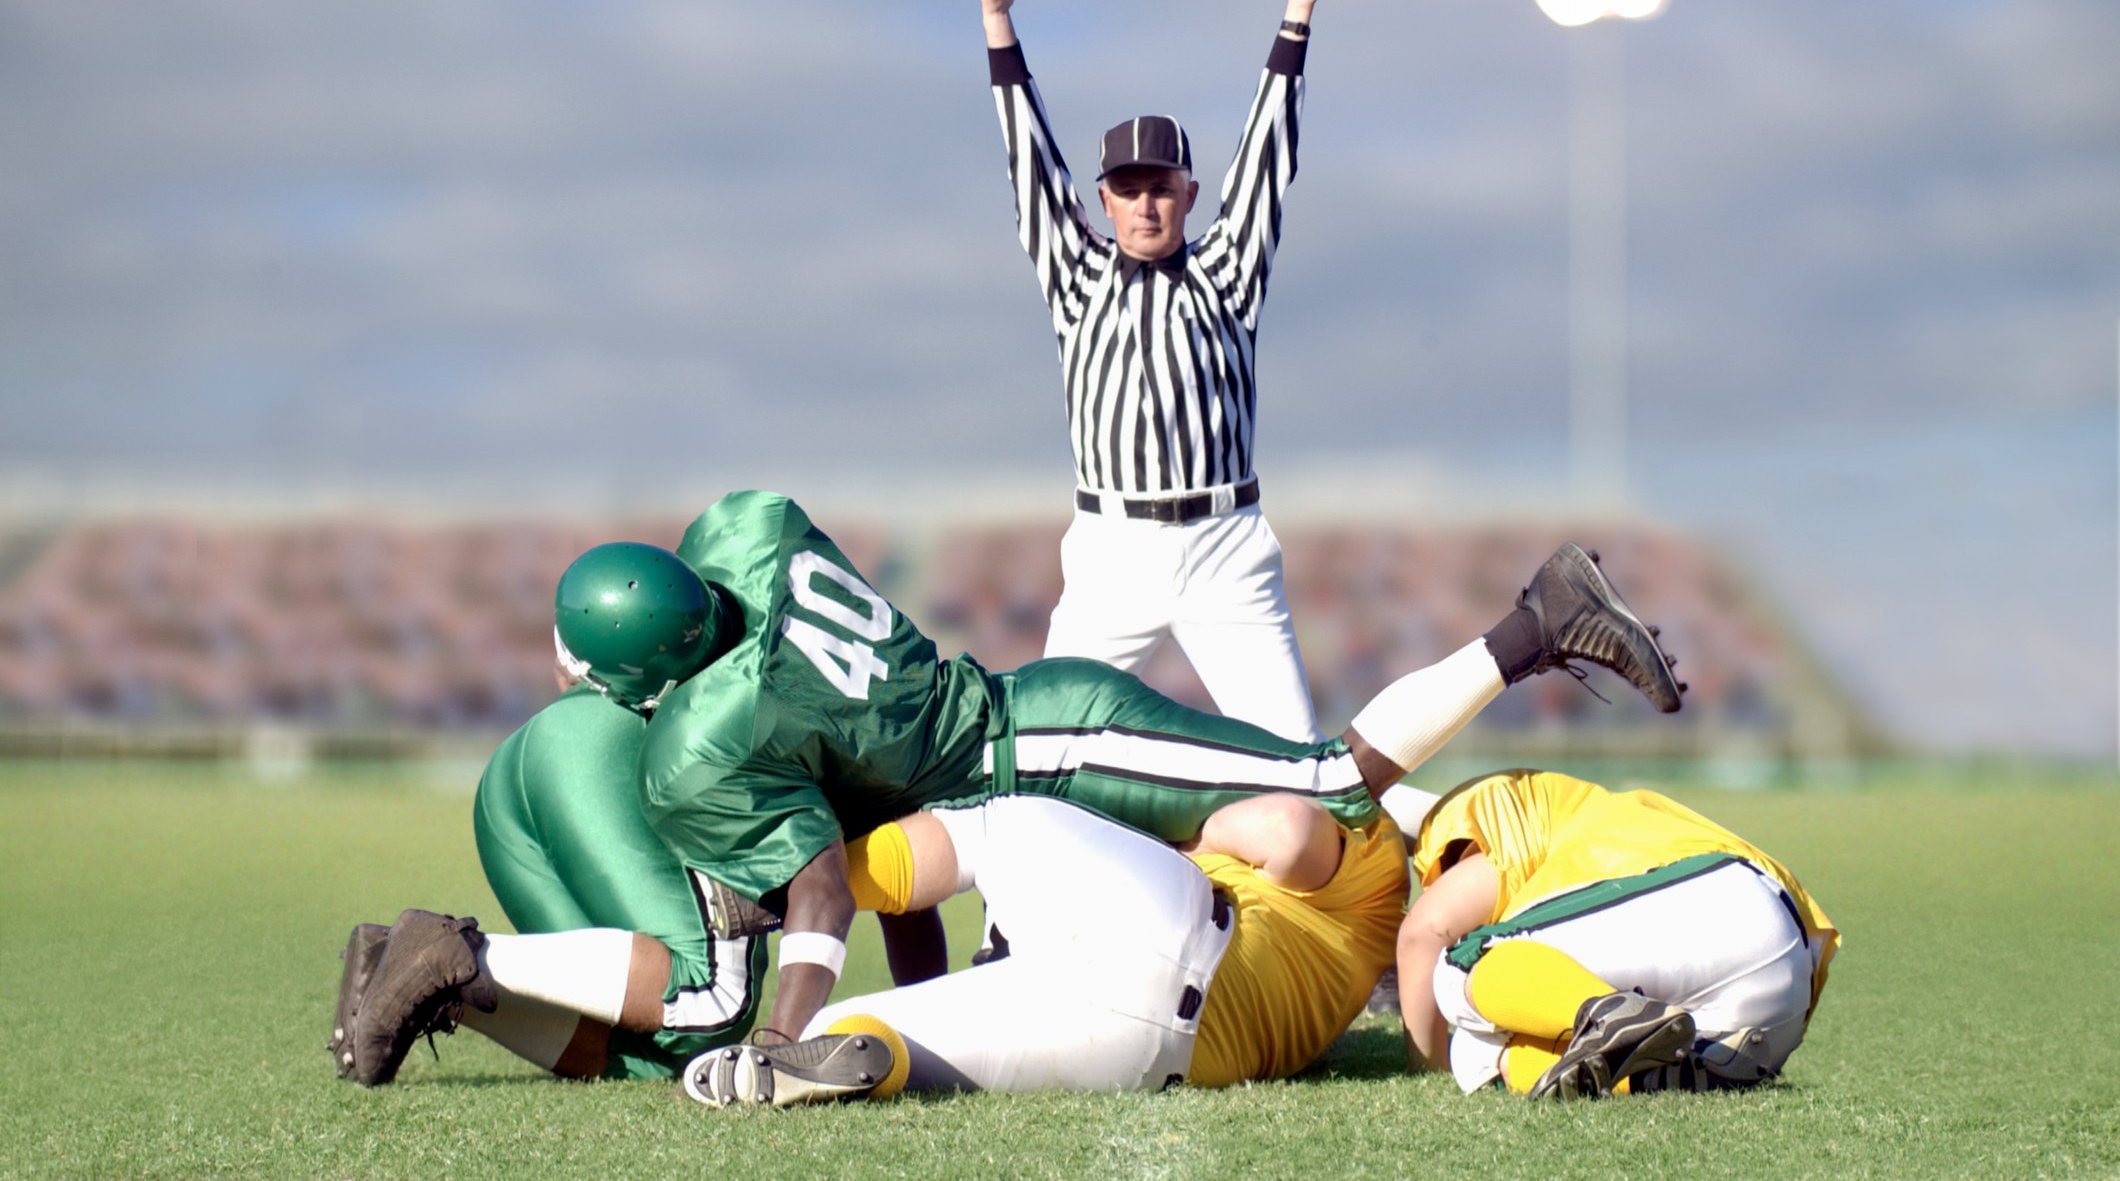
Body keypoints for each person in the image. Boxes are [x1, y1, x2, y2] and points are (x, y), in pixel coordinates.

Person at [337, 489, 1682, 1084]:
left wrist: (792, 1024)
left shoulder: (699, 738)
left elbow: (824, 884)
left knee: (1328, 781)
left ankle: (1537, 620)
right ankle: (468, 969)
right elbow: (874, 847)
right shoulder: (745, 528)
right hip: (994, 751)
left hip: (1044, 745)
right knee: (1282, 816)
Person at [954, 0, 1359, 744]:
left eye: (1161, 188)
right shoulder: (1076, 275)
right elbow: (1031, 167)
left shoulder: (1228, 270)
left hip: (1224, 548)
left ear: (1189, 194)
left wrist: (1296, 18)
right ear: (1103, 200)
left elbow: (1267, 163)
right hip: (1112, 554)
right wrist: (998, 24)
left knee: (1295, 763)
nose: (1145, 205)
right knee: (1041, 753)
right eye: (1128, 189)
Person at [681, 788, 1408, 1106]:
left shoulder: (1370, 843)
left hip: (1177, 924)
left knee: (995, 825)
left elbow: (1287, 829)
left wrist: (1198, 834)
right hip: (1151, 1058)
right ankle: (841, 1049)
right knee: (857, 1033)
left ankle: (792, 895)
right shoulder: (1366, 963)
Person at [1394, 769, 1837, 1099]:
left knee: (1461, 963)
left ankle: (1607, 1015)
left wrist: (1427, 1072)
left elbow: (1424, 932)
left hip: (1715, 907)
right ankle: (1650, 1074)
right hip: (1776, 1006)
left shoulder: (1511, 820)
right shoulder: (1597, 817)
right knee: (1473, 1051)